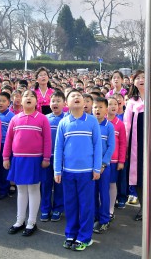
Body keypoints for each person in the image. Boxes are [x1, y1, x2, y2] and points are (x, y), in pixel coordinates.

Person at [54, 89, 102, 252]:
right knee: (71, 204)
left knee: (86, 205)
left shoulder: (92, 121)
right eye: (72, 96)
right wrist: (57, 170)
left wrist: (97, 168)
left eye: (79, 96)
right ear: (66, 104)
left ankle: (84, 237)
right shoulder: (63, 123)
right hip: (68, 172)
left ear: (85, 103)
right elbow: (59, 147)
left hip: (87, 172)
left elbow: (98, 145)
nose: (76, 98)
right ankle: (70, 234)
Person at [4, 89, 51, 237]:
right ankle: (20, 221)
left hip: (35, 159)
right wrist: (6, 157)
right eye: (25, 96)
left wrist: (46, 158)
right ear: (20, 100)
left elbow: (47, 140)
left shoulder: (42, 119)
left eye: (32, 96)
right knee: (21, 190)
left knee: (34, 189)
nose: (29, 98)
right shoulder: (15, 119)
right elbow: (9, 140)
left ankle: (31, 222)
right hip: (18, 159)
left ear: (37, 101)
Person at [124, 70, 151, 221]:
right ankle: (144, 206)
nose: (141, 80)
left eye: (144, 77)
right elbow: (126, 125)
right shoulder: (131, 102)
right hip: (135, 145)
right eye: (138, 78)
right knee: (138, 179)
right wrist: (126, 147)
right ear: (134, 82)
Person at [40, 90, 65, 222]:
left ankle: (58, 209)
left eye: (58, 101)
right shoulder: (45, 118)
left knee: (59, 185)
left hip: (60, 159)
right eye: (53, 101)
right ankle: (45, 209)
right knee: (45, 184)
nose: (55, 103)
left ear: (64, 103)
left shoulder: (67, 119)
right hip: (47, 157)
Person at [92, 97, 115, 234]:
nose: (97, 109)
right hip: (91, 166)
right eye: (95, 107)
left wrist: (103, 164)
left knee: (104, 193)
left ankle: (104, 219)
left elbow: (111, 147)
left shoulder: (109, 126)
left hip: (104, 167)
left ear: (106, 110)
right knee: (93, 193)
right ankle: (95, 217)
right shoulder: (90, 124)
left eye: (100, 107)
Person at [107, 96, 127, 213]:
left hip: (114, 161)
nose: (113, 106)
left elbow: (123, 144)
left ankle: (110, 209)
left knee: (112, 184)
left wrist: (121, 161)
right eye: (110, 104)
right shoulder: (99, 122)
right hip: (101, 161)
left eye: (115, 104)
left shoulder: (120, 124)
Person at [0, 90, 13, 199]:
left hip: (5, 145)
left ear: (9, 103)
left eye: (4, 101)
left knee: (4, 168)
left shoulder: (12, 116)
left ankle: (3, 190)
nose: (1, 103)